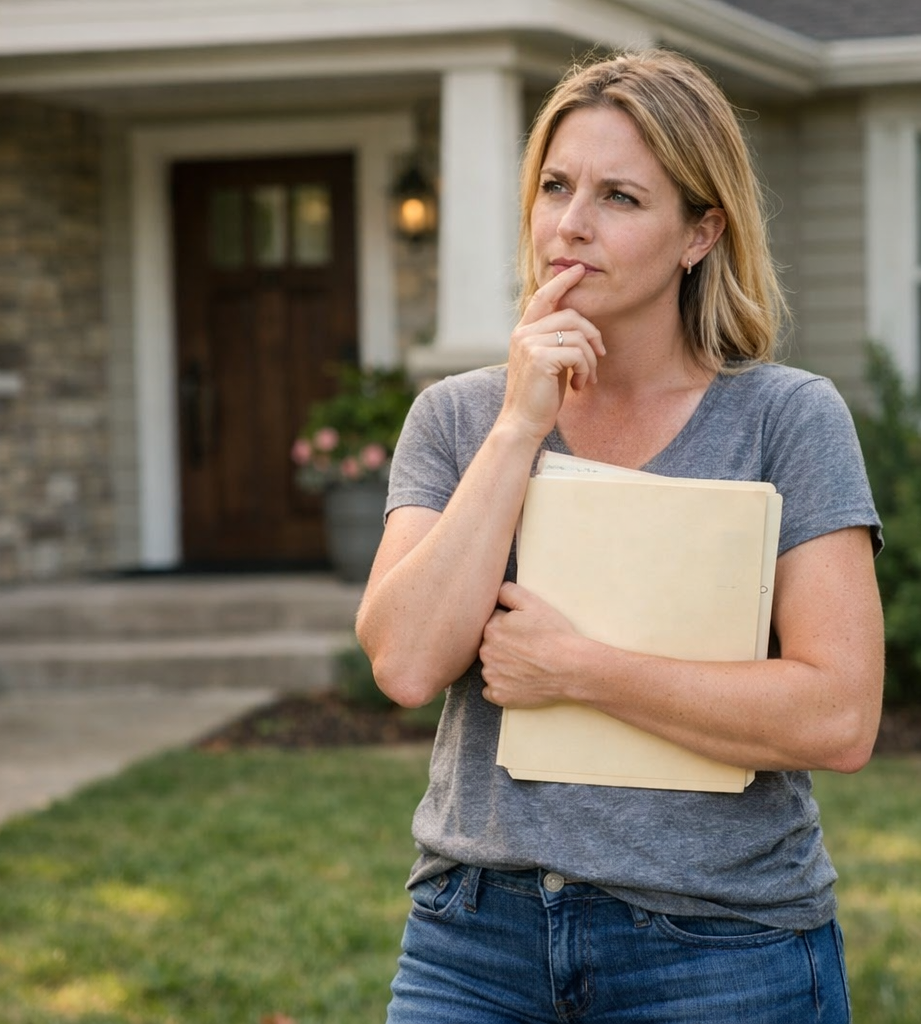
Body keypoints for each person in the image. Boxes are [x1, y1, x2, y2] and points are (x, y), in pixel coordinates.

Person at [356, 48, 884, 1024]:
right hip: (475, 939)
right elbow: (403, 658)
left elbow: (839, 716)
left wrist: (581, 668)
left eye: (620, 197)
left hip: (719, 946)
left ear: (701, 232)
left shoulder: (786, 419)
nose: (571, 224)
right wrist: (520, 427)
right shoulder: (459, 419)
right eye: (555, 185)